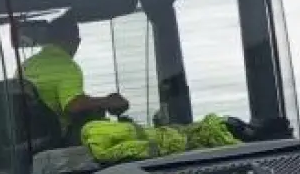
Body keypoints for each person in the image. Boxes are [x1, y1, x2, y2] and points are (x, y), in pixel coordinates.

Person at [17, 17, 239, 163]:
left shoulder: (27, 65)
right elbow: (74, 105)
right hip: (59, 143)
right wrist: (108, 102)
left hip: (33, 144)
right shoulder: (66, 66)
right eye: (77, 40)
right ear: (74, 40)